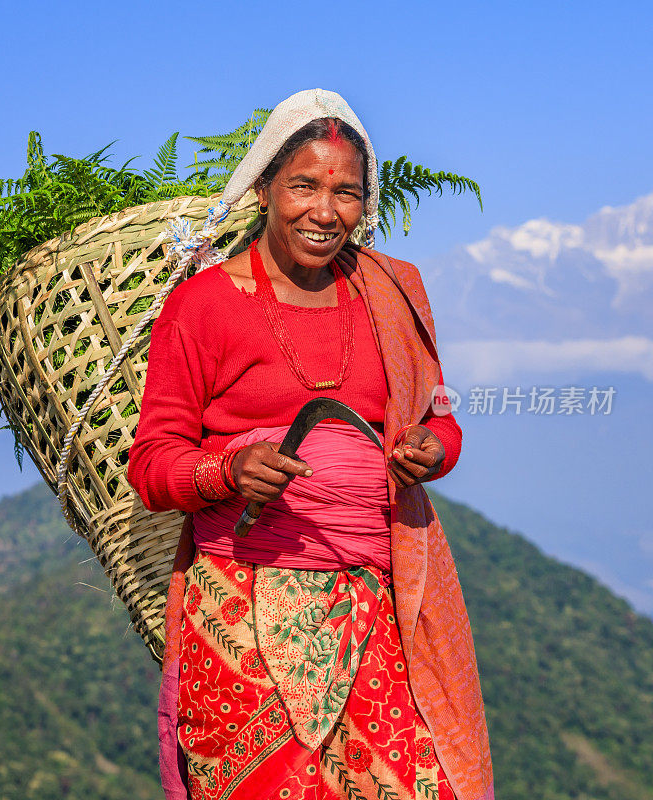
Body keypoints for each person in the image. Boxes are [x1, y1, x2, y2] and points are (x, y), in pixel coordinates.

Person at [128, 89, 494, 800]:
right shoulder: (202, 305)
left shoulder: (394, 291)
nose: (324, 212)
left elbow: (441, 417)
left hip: (382, 598)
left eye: (346, 192)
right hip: (242, 611)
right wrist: (227, 469)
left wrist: (431, 448)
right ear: (266, 189)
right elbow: (152, 464)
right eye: (303, 186)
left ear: (366, 201)